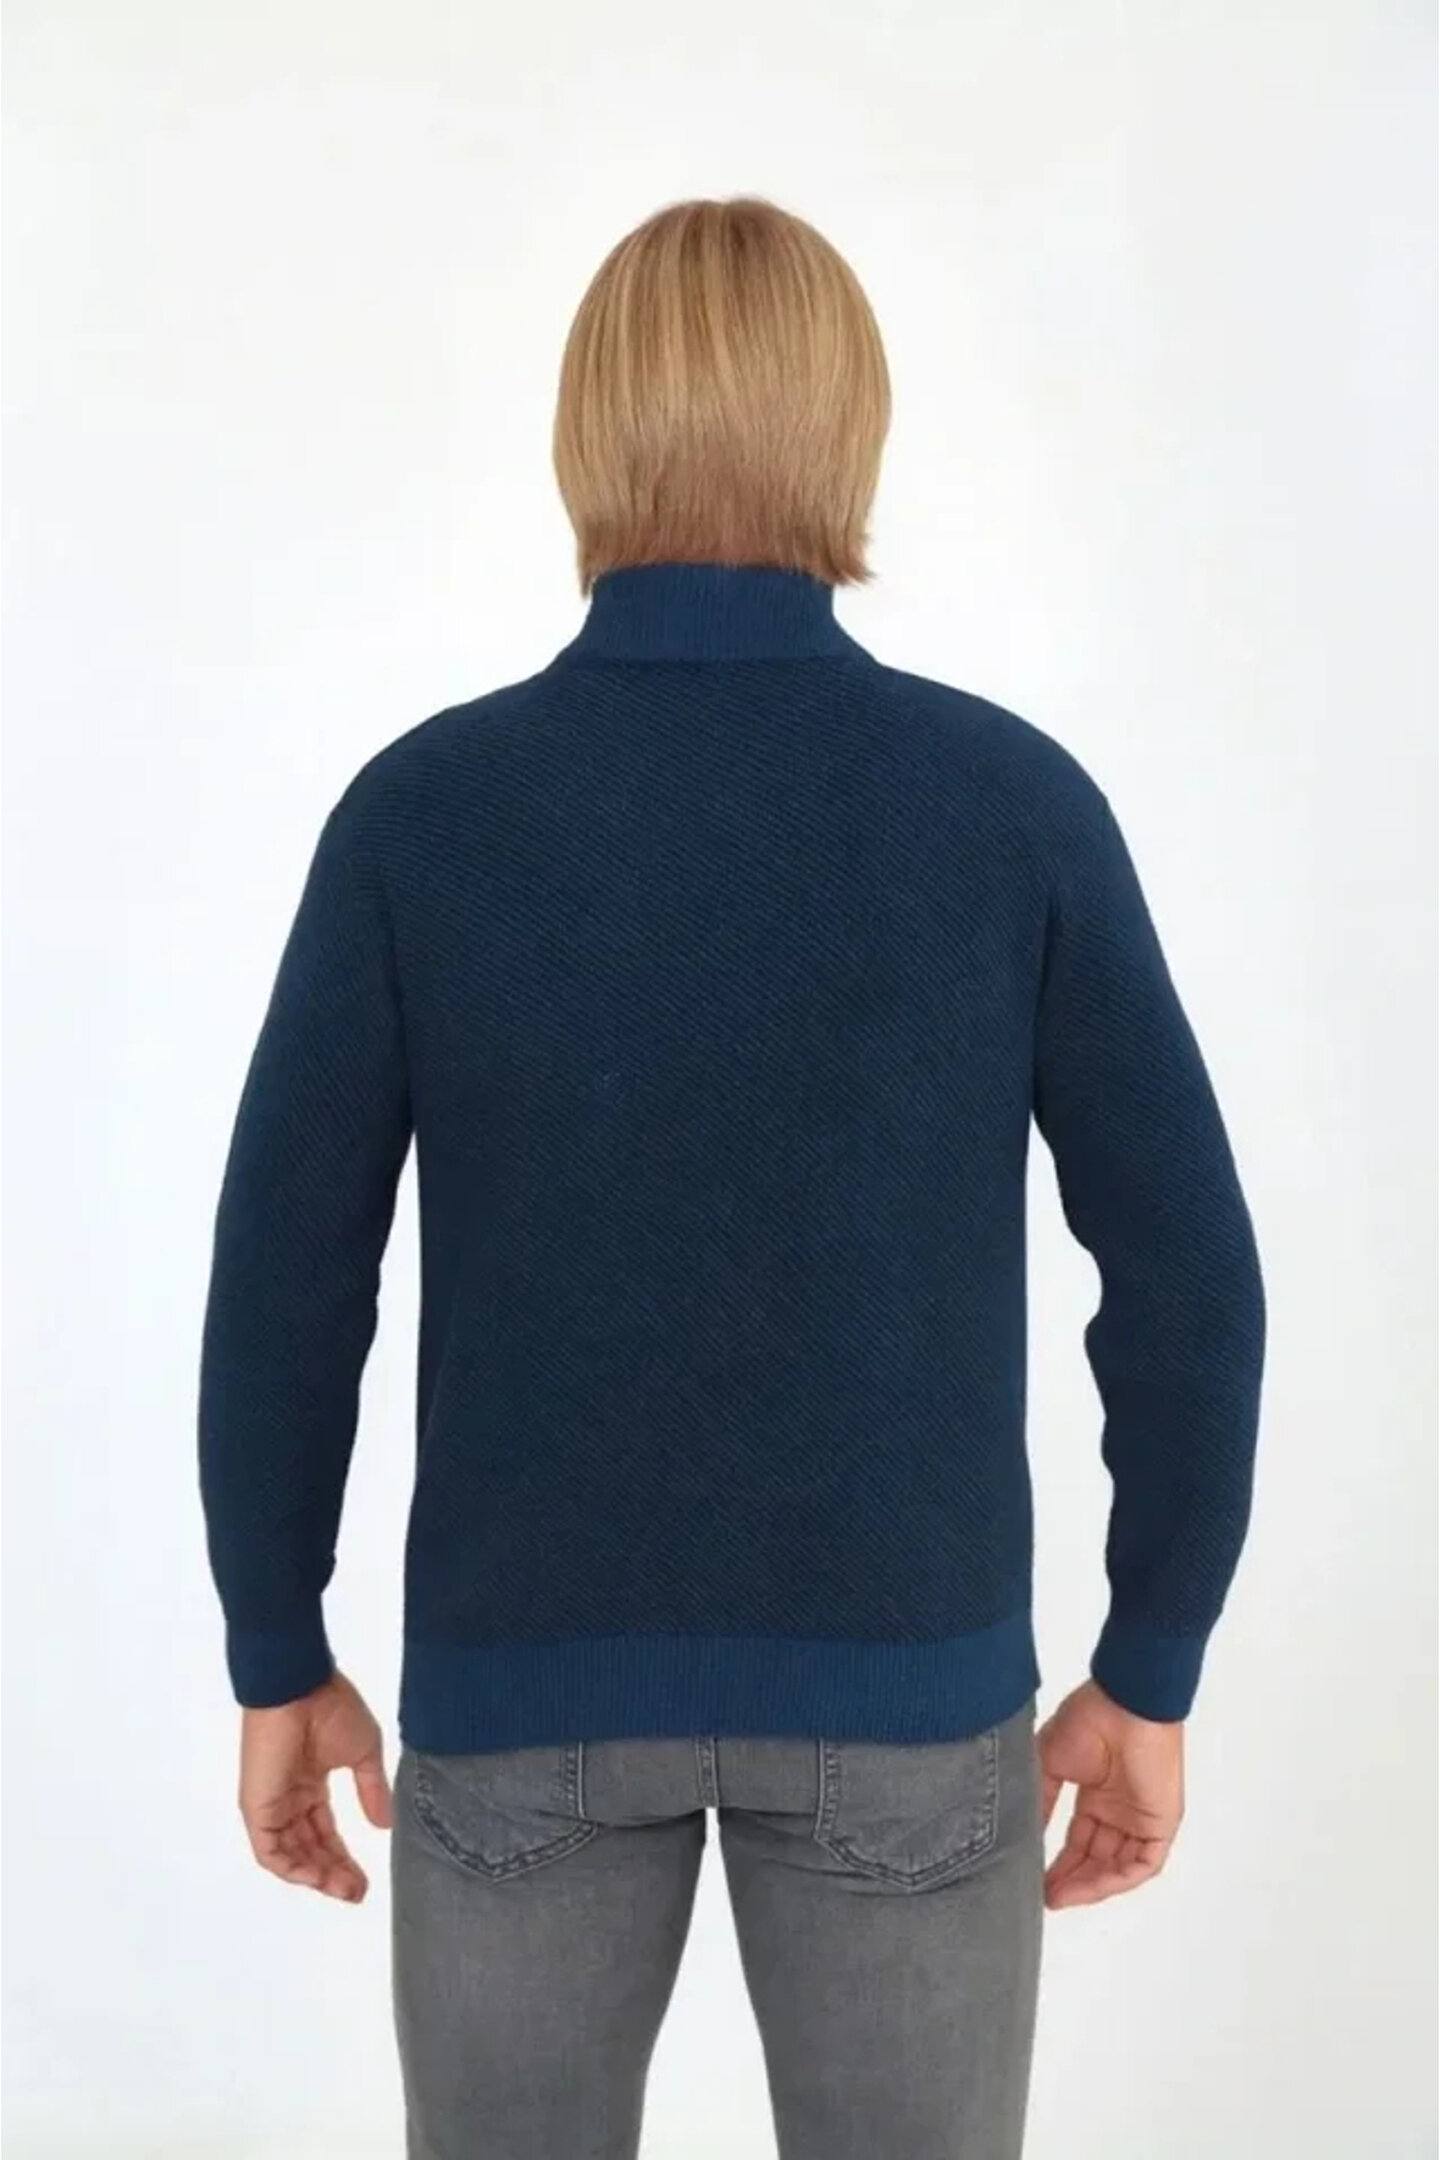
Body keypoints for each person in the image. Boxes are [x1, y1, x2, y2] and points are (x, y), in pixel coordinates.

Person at [198, 196, 1265, 2160]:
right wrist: (1151, 1660)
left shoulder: (424, 816)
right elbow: (1191, 1272)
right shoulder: (1009, 807)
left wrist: (278, 1643)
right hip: (908, 1687)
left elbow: (286, 1280)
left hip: (521, 1690)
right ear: (849, 431)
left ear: (584, 433)